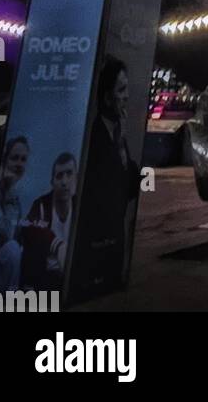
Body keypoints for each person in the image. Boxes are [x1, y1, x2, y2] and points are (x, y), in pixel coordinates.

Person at [73, 58, 140, 294]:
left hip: (115, 236)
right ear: (107, 97)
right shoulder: (94, 137)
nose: (127, 96)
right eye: (121, 89)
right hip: (95, 240)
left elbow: (130, 187)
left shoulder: (119, 136)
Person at [19, 151, 77, 289]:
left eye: (69, 174)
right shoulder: (40, 205)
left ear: (77, 178)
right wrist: (57, 245)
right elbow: (27, 227)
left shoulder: (81, 205)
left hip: (70, 278)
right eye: (59, 176)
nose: (64, 181)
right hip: (44, 278)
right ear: (52, 182)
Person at [0, 134, 29, 290]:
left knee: (15, 249)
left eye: (23, 159)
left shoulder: (16, 203)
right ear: (4, 160)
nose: (19, 164)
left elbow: (11, 239)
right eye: (14, 158)